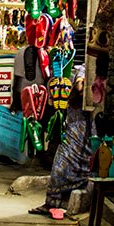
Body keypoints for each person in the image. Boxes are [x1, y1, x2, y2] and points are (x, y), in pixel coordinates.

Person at [29, 75, 91, 216]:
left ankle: (56, 203)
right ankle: (52, 203)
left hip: (81, 141)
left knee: (63, 169)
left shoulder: (89, 104)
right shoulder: (74, 101)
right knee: (59, 169)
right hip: (71, 139)